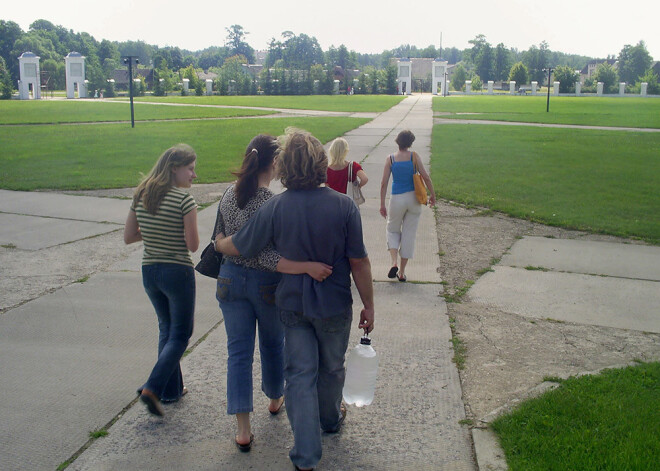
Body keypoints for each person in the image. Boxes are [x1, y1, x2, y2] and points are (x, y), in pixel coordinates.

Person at [217, 128, 375, 471]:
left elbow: (243, 244)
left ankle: (305, 455)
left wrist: (219, 244)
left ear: (285, 165)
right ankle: (330, 420)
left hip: (292, 306)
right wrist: (370, 304)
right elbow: (359, 261)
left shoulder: (276, 207)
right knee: (331, 368)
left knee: (300, 375)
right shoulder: (345, 206)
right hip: (333, 306)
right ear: (320, 164)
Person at [213, 134, 332, 452]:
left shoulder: (228, 193)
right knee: (272, 344)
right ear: (275, 162)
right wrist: (305, 266)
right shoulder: (269, 202)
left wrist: (223, 246)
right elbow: (268, 257)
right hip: (263, 284)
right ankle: (275, 395)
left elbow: (219, 237)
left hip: (228, 280)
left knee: (237, 353)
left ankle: (242, 428)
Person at [123, 144, 200, 417]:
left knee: (166, 329)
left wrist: (156, 232)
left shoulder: (141, 195)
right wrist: (174, 229)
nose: (193, 175)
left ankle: (170, 390)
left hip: (150, 272)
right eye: (190, 169)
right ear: (174, 169)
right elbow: (193, 245)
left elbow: (130, 236)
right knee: (180, 335)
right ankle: (152, 388)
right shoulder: (184, 201)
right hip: (176, 271)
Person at [379, 130, 436, 282]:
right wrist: (432, 195)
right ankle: (402, 272)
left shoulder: (390, 159)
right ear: (411, 142)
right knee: (409, 234)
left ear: (397, 141)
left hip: (397, 198)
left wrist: (382, 204)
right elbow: (425, 176)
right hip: (414, 199)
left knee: (392, 230)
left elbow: (384, 183)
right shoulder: (414, 157)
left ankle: (394, 262)